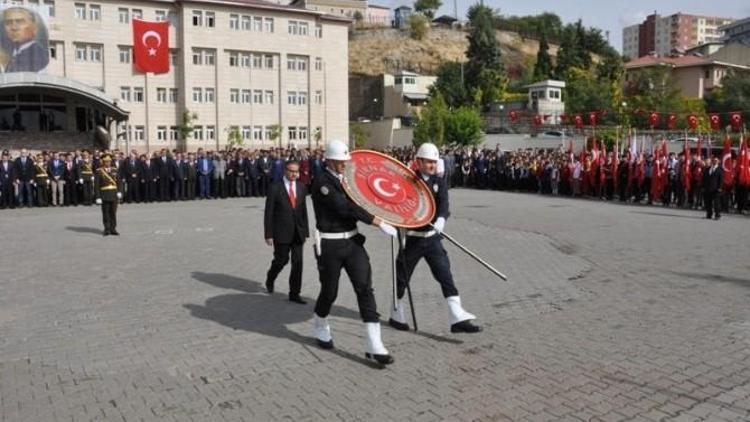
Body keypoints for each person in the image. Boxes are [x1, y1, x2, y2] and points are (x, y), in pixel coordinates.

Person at [310, 140, 398, 365]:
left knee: (365, 288)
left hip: (352, 242)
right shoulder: (322, 182)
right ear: (329, 160)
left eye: (345, 162)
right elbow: (344, 208)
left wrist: (387, 208)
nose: (344, 165)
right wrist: (376, 221)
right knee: (330, 292)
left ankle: (373, 344)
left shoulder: (348, 180)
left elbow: (366, 197)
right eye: (340, 162)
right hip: (330, 245)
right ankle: (320, 323)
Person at [390, 143, 482, 334]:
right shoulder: (407, 182)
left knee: (445, 274)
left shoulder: (438, 182)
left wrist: (441, 219)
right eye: (428, 161)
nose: (432, 165)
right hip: (413, 239)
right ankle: (396, 313)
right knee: (401, 277)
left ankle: (457, 316)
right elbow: (397, 204)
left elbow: (444, 205)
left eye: (434, 162)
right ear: (419, 161)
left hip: (432, 239)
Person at [264, 160, 309, 304]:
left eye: (296, 171)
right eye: (291, 171)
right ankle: (271, 277)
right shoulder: (275, 188)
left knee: (298, 263)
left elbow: (303, 211)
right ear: (285, 171)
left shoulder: (302, 187)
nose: (294, 174)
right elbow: (268, 213)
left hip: (298, 232)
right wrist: (268, 234)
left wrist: (305, 231)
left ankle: (294, 293)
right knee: (281, 260)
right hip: (281, 232)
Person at [2, 7, 49, 73]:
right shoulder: (13, 53)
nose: (13, 28)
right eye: (8, 23)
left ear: (34, 27)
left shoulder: (38, 53)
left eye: (19, 22)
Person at [94, 154, 121, 236]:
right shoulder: (99, 171)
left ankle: (113, 229)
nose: (108, 163)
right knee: (106, 213)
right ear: (103, 162)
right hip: (104, 195)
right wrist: (98, 197)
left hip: (113, 194)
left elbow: (119, 182)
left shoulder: (115, 170)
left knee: (113, 213)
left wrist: (120, 191)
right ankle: (107, 229)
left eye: (109, 161)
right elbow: (96, 185)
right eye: (106, 162)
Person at [703, 156, 723, 220]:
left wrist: (720, 187)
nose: (715, 161)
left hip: (716, 189)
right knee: (708, 202)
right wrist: (703, 186)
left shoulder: (720, 169)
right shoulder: (707, 168)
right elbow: (704, 179)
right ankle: (709, 214)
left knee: (716, 203)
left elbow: (721, 179)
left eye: (716, 160)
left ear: (718, 162)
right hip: (708, 188)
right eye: (714, 160)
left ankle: (717, 215)